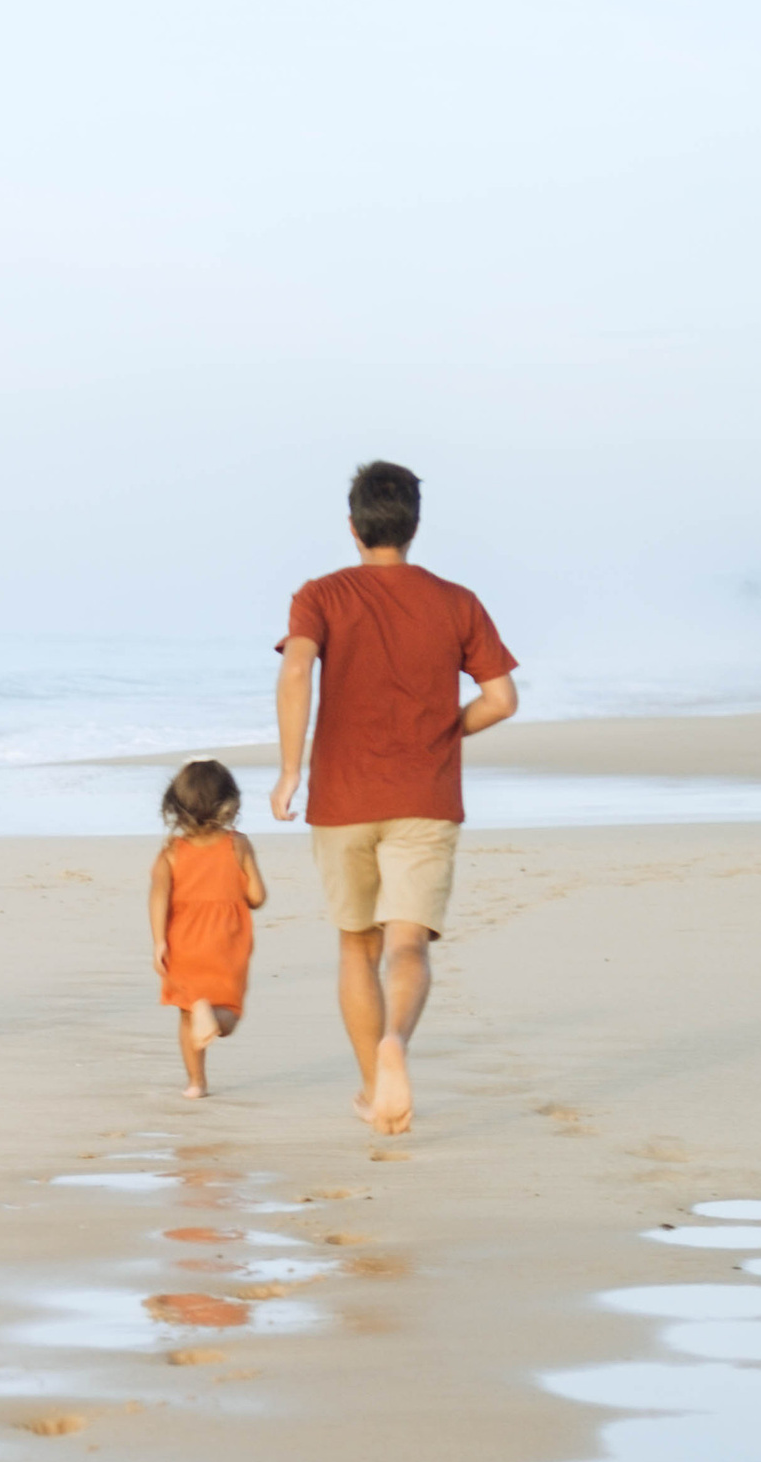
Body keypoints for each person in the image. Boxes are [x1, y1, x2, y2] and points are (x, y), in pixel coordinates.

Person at [271, 462, 518, 1135]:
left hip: (342, 796)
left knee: (357, 947)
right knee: (409, 944)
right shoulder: (456, 600)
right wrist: (445, 728)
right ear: (413, 525)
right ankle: (396, 1046)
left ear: (352, 527)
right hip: (425, 794)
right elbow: (502, 700)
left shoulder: (319, 594)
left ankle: (369, 1086)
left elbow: (296, 668)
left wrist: (290, 771)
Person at [150, 760, 266, 1096]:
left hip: (182, 940)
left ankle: (196, 1083)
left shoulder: (172, 850)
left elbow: (158, 896)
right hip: (226, 942)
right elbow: (257, 896)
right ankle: (212, 1016)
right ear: (229, 802)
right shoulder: (237, 844)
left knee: (188, 1015)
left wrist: (159, 940)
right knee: (227, 1013)